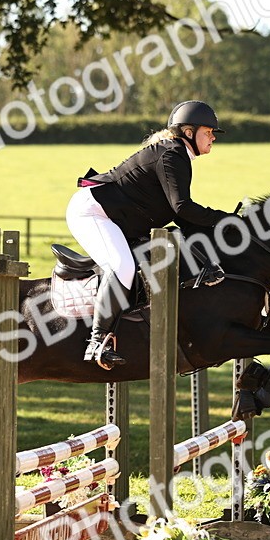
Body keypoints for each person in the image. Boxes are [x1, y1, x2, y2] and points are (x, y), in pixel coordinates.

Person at [66, 100, 230, 368]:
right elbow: (183, 207)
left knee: (168, 243)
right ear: (189, 132)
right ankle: (96, 342)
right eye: (208, 131)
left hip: (114, 216)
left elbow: (180, 218)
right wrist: (224, 219)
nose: (213, 137)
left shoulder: (176, 154)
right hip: (92, 212)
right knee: (122, 266)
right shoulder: (172, 155)